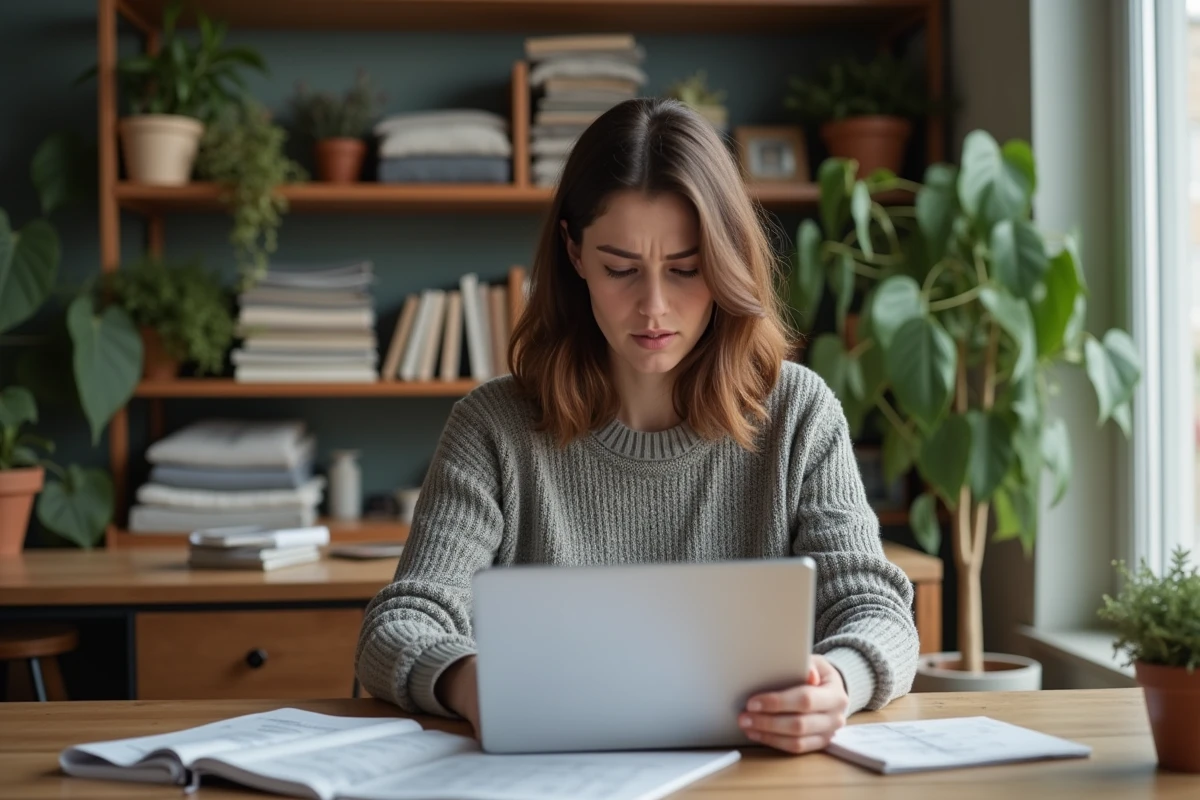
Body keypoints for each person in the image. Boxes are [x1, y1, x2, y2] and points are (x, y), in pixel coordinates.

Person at [356, 97, 919, 756]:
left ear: (726, 260)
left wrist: (840, 683)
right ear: (574, 253)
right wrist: (471, 683)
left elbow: (877, 612)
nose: (653, 306)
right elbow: (400, 622)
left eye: (685, 269)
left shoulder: (799, 413)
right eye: (621, 268)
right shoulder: (493, 427)